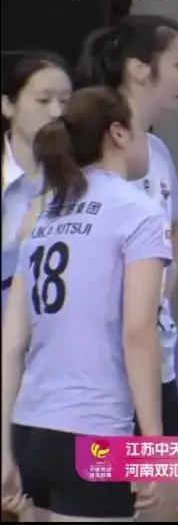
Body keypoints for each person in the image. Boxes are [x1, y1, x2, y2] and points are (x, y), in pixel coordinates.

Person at [1, 87, 169, 521]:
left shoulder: (42, 217)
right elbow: (138, 332)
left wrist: (3, 449)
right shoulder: (138, 211)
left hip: (30, 429)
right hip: (94, 431)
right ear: (118, 133)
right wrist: (153, 441)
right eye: (140, 130)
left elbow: (11, 345)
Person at [76, 14, 178, 521]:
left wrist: (159, 293)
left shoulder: (160, 153)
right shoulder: (86, 152)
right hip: (97, 379)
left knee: (164, 503)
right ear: (139, 69)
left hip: (158, 367)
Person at [2, 52, 72, 317]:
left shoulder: (83, 178)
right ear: (8, 105)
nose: (56, 112)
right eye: (43, 100)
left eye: (65, 101)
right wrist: (20, 246)